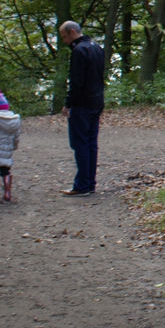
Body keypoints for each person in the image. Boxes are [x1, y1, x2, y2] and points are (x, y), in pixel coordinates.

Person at [58, 20, 105, 196]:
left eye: (64, 37)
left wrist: (69, 103)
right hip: (96, 102)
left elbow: (77, 82)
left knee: (80, 144)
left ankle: (83, 185)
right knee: (91, 143)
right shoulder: (97, 48)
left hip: (83, 104)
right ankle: (89, 183)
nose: (64, 41)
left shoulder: (79, 51)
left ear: (72, 32)